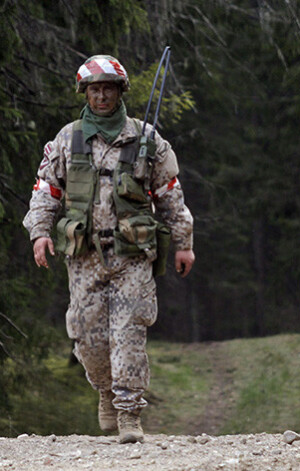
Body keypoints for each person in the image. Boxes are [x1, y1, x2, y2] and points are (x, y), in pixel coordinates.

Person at [22, 55, 195, 444]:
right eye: (94, 90)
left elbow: (171, 196)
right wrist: (40, 233)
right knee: (87, 338)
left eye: (108, 89)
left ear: (120, 92)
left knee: (129, 332)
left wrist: (183, 243)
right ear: (85, 93)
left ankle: (129, 412)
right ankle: (105, 390)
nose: (101, 96)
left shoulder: (147, 139)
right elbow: (46, 192)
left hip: (132, 256)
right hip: (83, 256)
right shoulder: (67, 139)